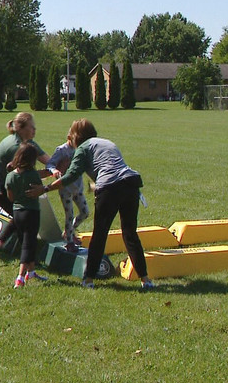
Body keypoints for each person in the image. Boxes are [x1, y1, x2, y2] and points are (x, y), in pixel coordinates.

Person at [36, 119, 155, 290]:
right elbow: (111, 170)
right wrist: (96, 187)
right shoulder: (106, 142)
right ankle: (145, 280)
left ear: (76, 136)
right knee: (130, 234)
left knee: (99, 235)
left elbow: (70, 177)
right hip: (131, 183)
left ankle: (89, 279)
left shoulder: (83, 149)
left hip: (111, 188)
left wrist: (45, 188)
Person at [0, 112, 51, 250]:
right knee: (22, 211)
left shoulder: (28, 142)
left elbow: (48, 161)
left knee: (21, 213)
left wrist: (57, 167)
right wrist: (47, 173)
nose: (35, 130)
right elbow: (25, 175)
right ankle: (5, 243)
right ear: (21, 128)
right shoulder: (15, 146)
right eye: (31, 127)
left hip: (0, 182)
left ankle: (7, 243)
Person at [4, 144, 48, 288]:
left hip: (17, 213)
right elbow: (39, 190)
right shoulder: (33, 175)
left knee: (25, 241)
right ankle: (20, 277)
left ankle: (32, 271)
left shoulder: (10, 176)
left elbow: (10, 198)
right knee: (28, 245)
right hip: (32, 212)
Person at [46, 133, 90, 253]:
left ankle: (69, 232)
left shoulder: (80, 149)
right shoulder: (61, 150)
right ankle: (69, 242)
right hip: (65, 188)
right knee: (69, 215)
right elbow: (50, 164)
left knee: (85, 212)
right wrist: (54, 170)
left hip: (78, 188)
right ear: (70, 137)